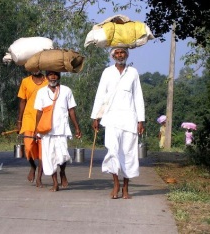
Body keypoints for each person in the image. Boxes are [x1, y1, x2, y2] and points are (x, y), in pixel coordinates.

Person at [90, 47, 145, 199]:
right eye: (117, 53)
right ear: (113, 55)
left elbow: (138, 97)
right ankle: (116, 184)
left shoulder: (133, 72)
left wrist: (141, 120)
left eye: (122, 52)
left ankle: (126, 188)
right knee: (113, 152)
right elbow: (100, 95)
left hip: (129, 119)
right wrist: (96, 117)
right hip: (111, 119)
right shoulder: (107, 72)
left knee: (129, 154)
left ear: (127, 55)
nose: (120, 55)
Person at [34, 70, 81, 192]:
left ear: (59, 77)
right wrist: (36, 129)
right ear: (46, 77)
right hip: (46, 130)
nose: (53, 77)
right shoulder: (41, 92)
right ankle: (55, 183)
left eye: (55, 75)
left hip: (61, 128)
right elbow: (38, 112)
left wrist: (77, 127)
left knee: (62, 155)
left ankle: (63, 172)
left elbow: (71, 110)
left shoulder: (66, 90)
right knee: (50, 157)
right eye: (50, 75)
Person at [17, 71, 48, 187]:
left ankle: (39, 178)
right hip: (29, 117)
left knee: (42, 150)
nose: (35, 69)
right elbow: (22, 101)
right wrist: (19, 121)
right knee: (29, 147)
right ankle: (32, 166)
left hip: (43, 117)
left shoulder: (47, 81)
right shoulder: (25, 81)